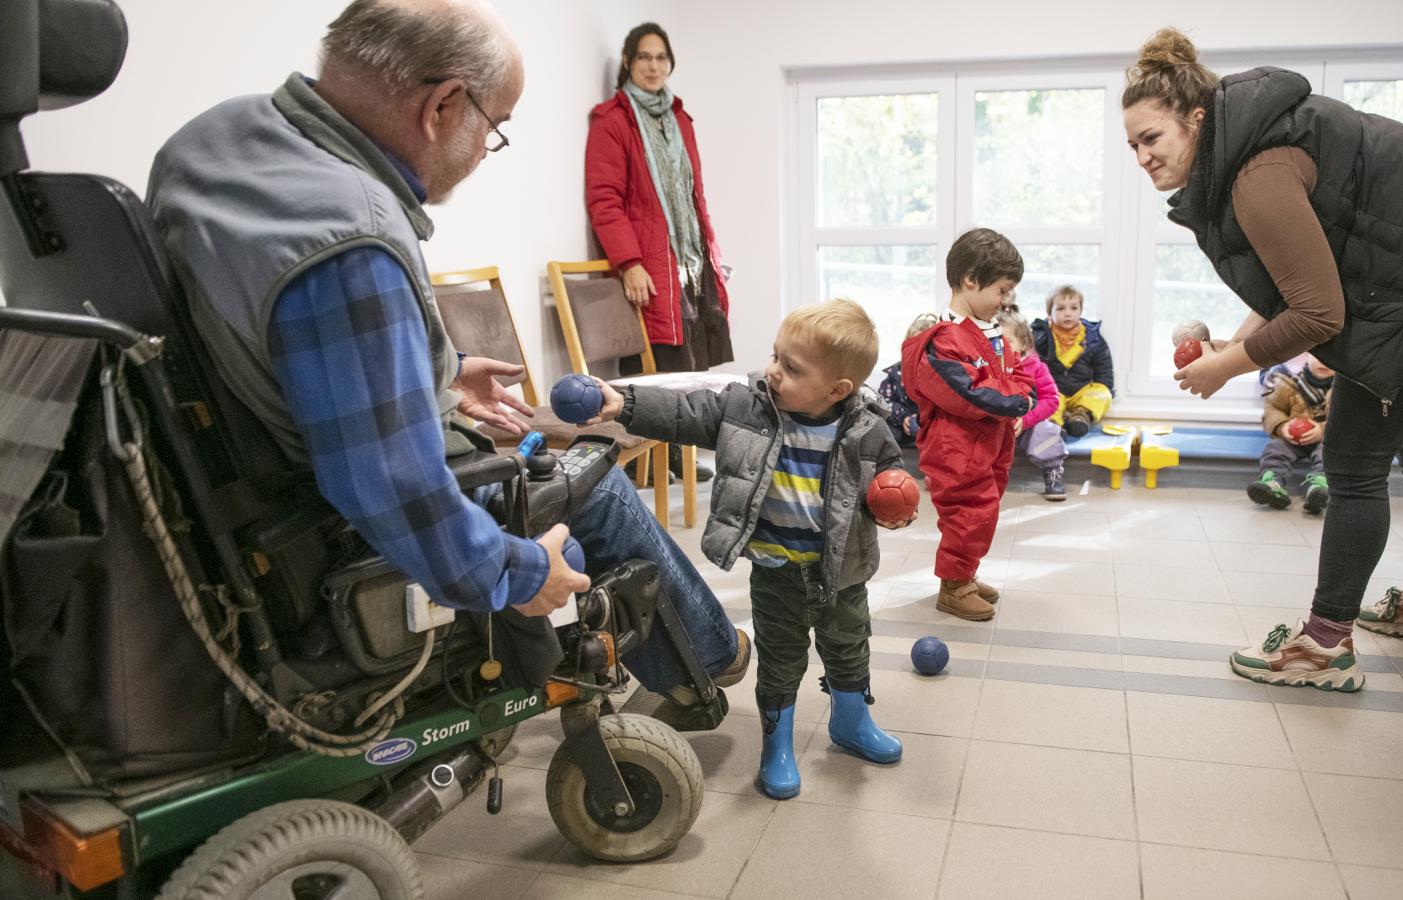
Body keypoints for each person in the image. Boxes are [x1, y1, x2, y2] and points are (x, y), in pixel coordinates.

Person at [146, 0, 747, 702]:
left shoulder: (217, 139)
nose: (484, 153)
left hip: (232, 468)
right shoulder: (353, 240)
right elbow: (392, 487)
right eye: (494, 130)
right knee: (594, 480)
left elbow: (282, 334)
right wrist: (520, 573)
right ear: (444, 107)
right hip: (318, 511)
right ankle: (712, 659)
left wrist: (442, 374)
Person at [1121, 28, 1403, 690]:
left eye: (1153, 138)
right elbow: (1293, 278)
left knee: (1351, 462)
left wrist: (1225, 366)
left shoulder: (1256, 174)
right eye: (1133, 146)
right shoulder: (1253, 140)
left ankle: (1324, 647)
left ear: (1196, 118)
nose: (1143, 157)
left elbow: (1319, 315)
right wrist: (1233, 345)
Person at [590, 299, 910, 800]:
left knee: (849, 648)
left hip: (841, 574)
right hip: (777, 571)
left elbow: (890, 482)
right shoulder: (747, 408)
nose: (773, 372)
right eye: (775, 357)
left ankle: (851, 723)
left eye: (792, 367)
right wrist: (624, 403)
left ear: (837, 390)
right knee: (781, 661)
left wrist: (897, 504)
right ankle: (777, 746)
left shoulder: (867, 430)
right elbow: (684, 411)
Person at [586, 22, 730, 481]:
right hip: (648, 257)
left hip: (687, 258)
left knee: (689, 361)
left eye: (661, 58)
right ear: (628, 61)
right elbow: (604, 198)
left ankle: (676, 456)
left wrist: (708, 250)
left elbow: (693, 195)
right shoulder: (613, 119)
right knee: (655, 360)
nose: (653, 66)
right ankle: (648, 462)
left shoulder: (679, 119)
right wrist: (628, 262)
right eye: (644, 57)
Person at [901, 229, 1035, 622]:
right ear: (971, 280)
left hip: (988, 442)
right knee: (968, 512)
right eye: (1002, 290)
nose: (1005, 300)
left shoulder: (990, 332)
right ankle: (954, 586)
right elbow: (969, 392)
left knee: (986, 510)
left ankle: (967, 573)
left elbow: (1020, 372)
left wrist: (1017, 400)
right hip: (956, 447)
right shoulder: (944, 339)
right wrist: (1015, 403)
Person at [1251, 355, 1334, 513]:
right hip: (1292, 439)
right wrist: (1283, 427)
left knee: (1329, 453)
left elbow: (1345, 418)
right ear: (1306, 356)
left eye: (1331, 358)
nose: (1324, 361)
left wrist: (1323, 430)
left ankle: (1320, 486)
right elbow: (1272, 409)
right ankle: (1273, 482)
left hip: (1325, 438)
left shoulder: (1341, 390)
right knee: (1274, 449)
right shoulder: (1288, 383)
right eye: (1318, 356)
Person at [1030, 285, 1114, 437]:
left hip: (1081, 390)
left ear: (1081, 311)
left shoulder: (1092, 338)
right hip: (1055, 391)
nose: (1068, 313)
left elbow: (1103, 369)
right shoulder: (1041, 337)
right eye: (1061, 309)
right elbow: (1033, 366)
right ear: (1050, 313)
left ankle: (1081, 417)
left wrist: (1104, 387)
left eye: (1074, 308)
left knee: (1103, 394)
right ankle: (1054, 426)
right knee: (1047, 402)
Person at [1001, 314, 1067, 500]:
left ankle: (1053, 471)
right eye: (995, 341)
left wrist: (1026, 420)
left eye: (1008, 341)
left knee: (1044, 431)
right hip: (995, 425)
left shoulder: (1036, 368)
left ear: (1024, 344)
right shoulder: (986, 368)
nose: (1001, 347)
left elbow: (1051, 400)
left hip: (1026, 425)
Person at [879, 312, 940, 446]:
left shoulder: (940, 374)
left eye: (925, 347)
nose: (919, 352)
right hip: (903, 434)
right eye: (914, 346)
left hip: (932, 435)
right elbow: (884, 401)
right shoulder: (896, 373)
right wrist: (903, 417)